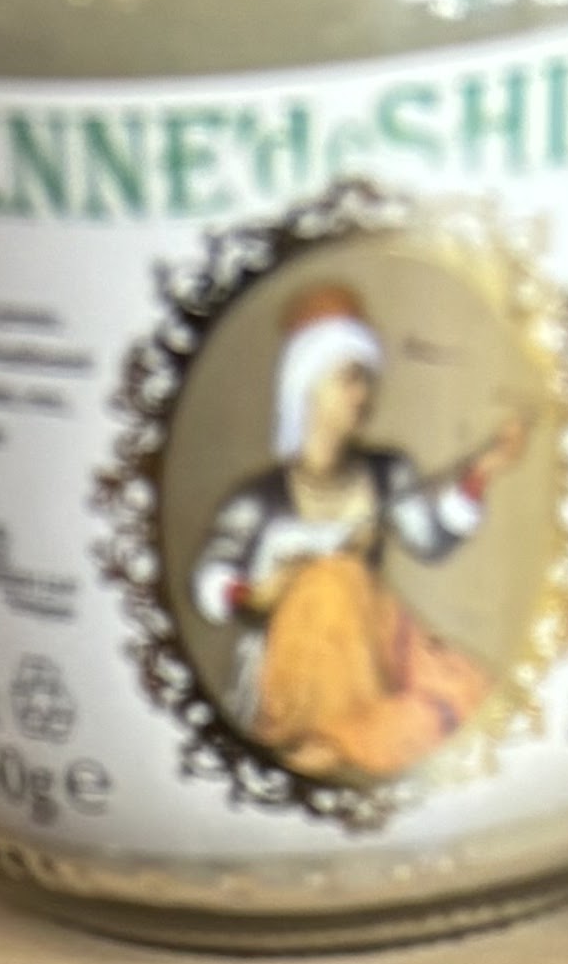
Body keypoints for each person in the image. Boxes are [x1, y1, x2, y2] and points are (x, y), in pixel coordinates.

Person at [184, 286, 528, 790]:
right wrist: (256, 592)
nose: (362, 395)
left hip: (375, 644)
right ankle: (329, 734)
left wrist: (482, 472)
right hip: (293, 664)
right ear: (309, 385)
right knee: (330, 583)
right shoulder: (260, 500)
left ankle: (347, 735)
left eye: (365, 379)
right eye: (349, 379)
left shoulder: (386, 473)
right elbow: (212, 578)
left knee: (462, 697)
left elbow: (432, 540)